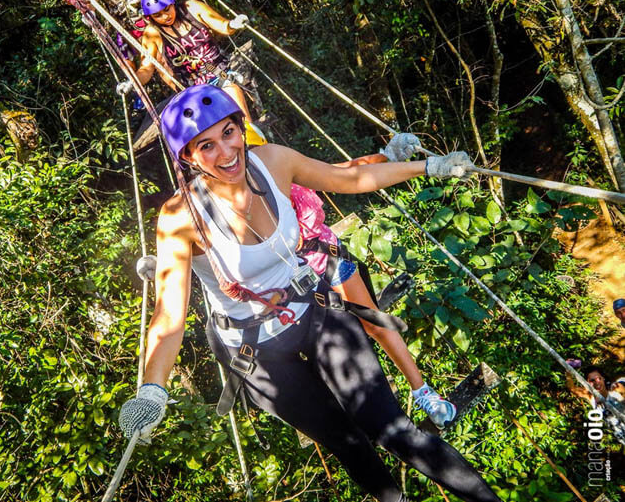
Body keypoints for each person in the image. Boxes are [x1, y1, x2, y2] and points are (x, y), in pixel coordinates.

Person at [118, 85, 502, 502]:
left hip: (312, 308)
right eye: (206, 145)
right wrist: (152, 389)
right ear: (189, 158)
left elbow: (347, 177)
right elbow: (169, 315)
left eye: (229, 133)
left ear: (241, 128)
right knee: (347, 443)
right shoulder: (180, 218)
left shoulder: (271, 162)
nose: (226, 152)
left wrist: (429, 167)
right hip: (254, 348)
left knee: (391, 429)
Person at [291, 133, 456, 429]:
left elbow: (348, 170)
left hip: (328, 262)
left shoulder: (292, 174)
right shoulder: (248, 208)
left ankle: (423, 392)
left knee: (374, 324)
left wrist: (388, 156)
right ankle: (362, 416)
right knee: (338, 352)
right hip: (300, 284)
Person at [120, 0, 253, 123]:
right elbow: (146, 69)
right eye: (157, 15)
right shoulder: (152, 33)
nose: (165, 16)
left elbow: (221, 25)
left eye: (167, 9)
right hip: (191, 87)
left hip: (215, 69)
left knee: (231, 88)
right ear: (150, 17)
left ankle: (250, 134)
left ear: (173, 2)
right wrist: (132, 82)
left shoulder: (192, 8)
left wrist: (232, 25)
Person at [567, 365, 625, 444]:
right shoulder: (591, 397)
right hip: (621, 435)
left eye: (599, 378)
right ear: (588, 383)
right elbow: (572, 388)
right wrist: (568, 370)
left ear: (603, 378)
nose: (597, 382)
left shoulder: (616, 388)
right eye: (592, 380)